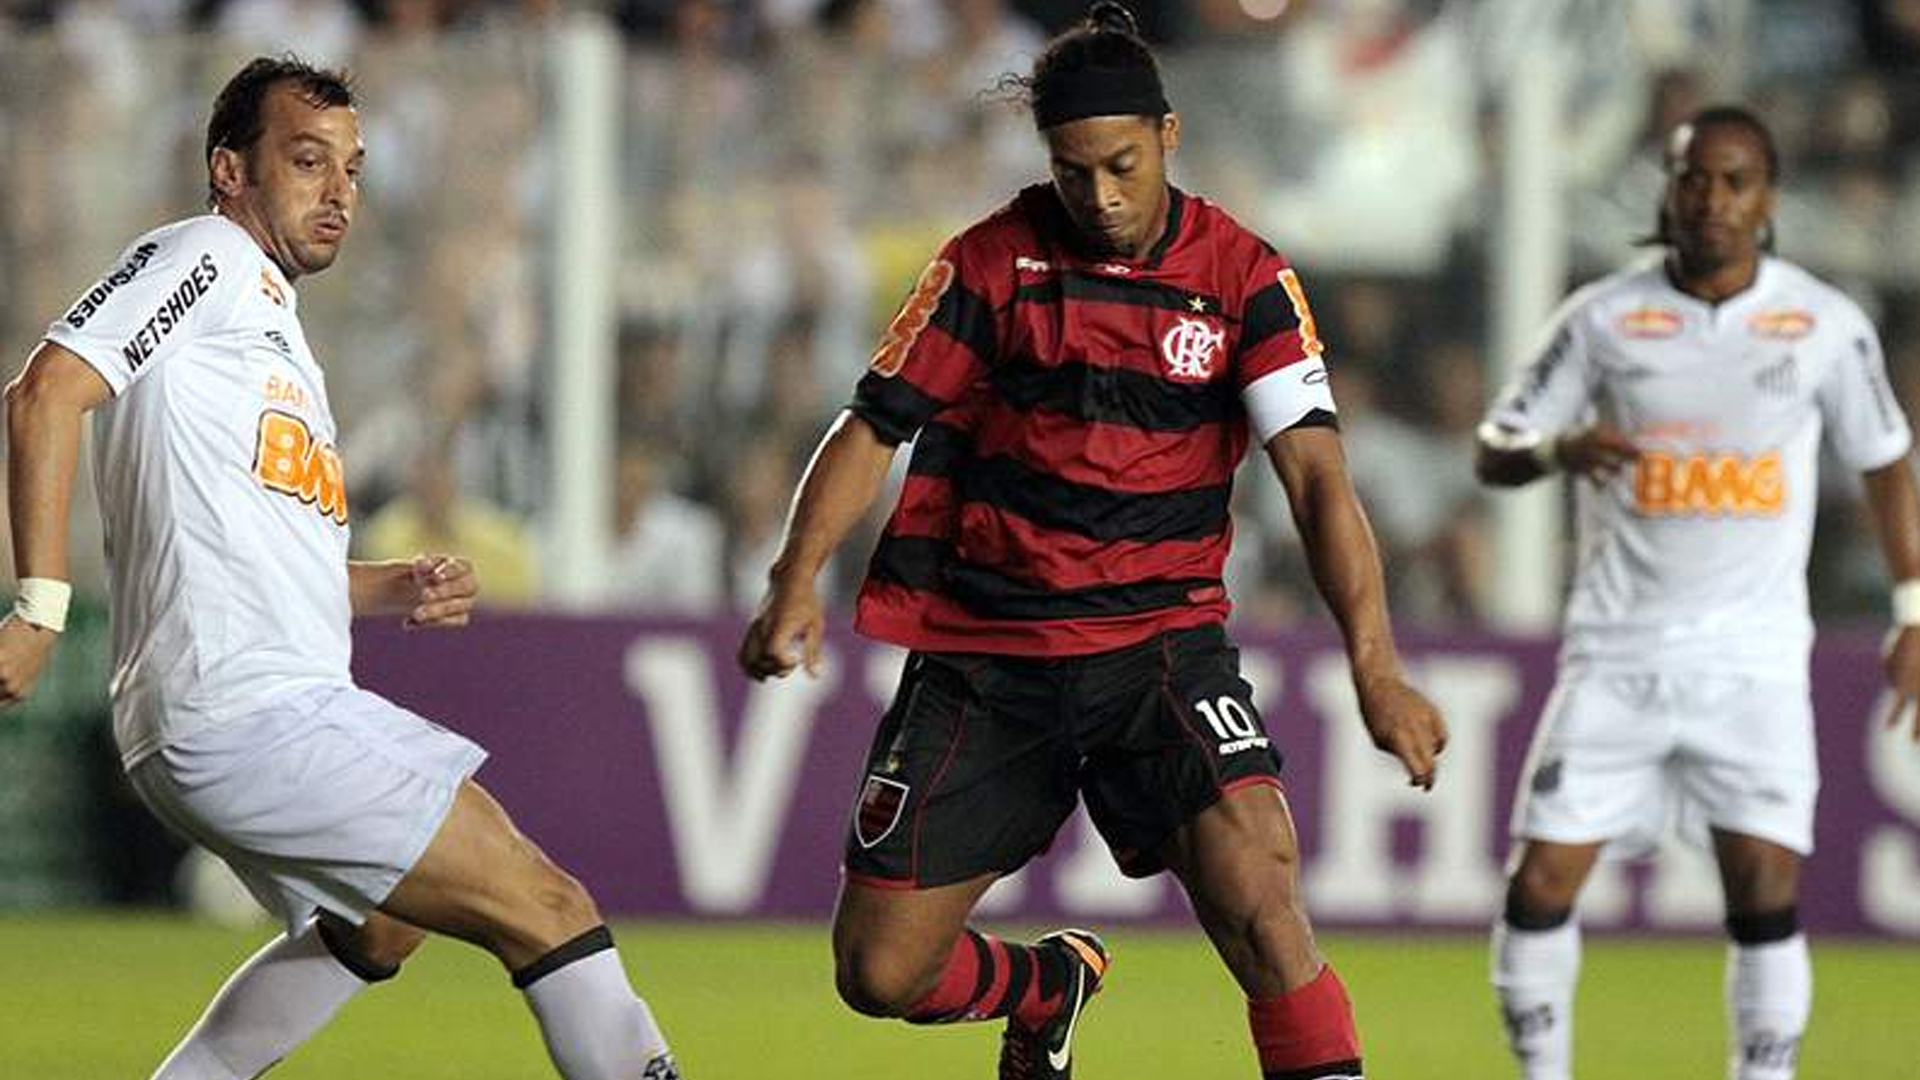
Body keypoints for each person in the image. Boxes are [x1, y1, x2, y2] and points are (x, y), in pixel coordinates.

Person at [736, 5, 1449, 1078]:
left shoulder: (1247, 278)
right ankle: (1045, 988)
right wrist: (794, 583)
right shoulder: (988, 265)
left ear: (1168, 135)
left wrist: (1378, 668)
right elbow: (874, 423)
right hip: (989, 658)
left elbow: (1317, 481)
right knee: (879, 974)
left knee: (1261, 893)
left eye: (1120, 165)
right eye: (1073, 173)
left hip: (1157, 649)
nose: (1101, 197)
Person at [0, 57, 682, 1080]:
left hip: (236, 708)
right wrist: (38, 608)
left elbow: (247, 539)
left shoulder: (270, 332)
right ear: (229, 171)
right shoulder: (206, 258)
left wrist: (381, 584)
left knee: (382, 925)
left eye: (353, 170)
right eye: (307, 160)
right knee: (546, 907)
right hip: (246, 707)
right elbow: (43, 393)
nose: (338, 192)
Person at [1476, 105, 1920, 1080]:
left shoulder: (1824, 325)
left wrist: (1913, 610)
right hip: (1617, 655)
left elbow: (1886, 459)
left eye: (1734, 182)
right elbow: (1495, 445)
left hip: (1752, 663)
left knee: (1764, 889)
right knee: (1541, 881)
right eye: (1693, 179)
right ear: (1666, 190)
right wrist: (1558, 447)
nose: (1712, 200)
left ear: (1767, 200)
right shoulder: (1599, 318)